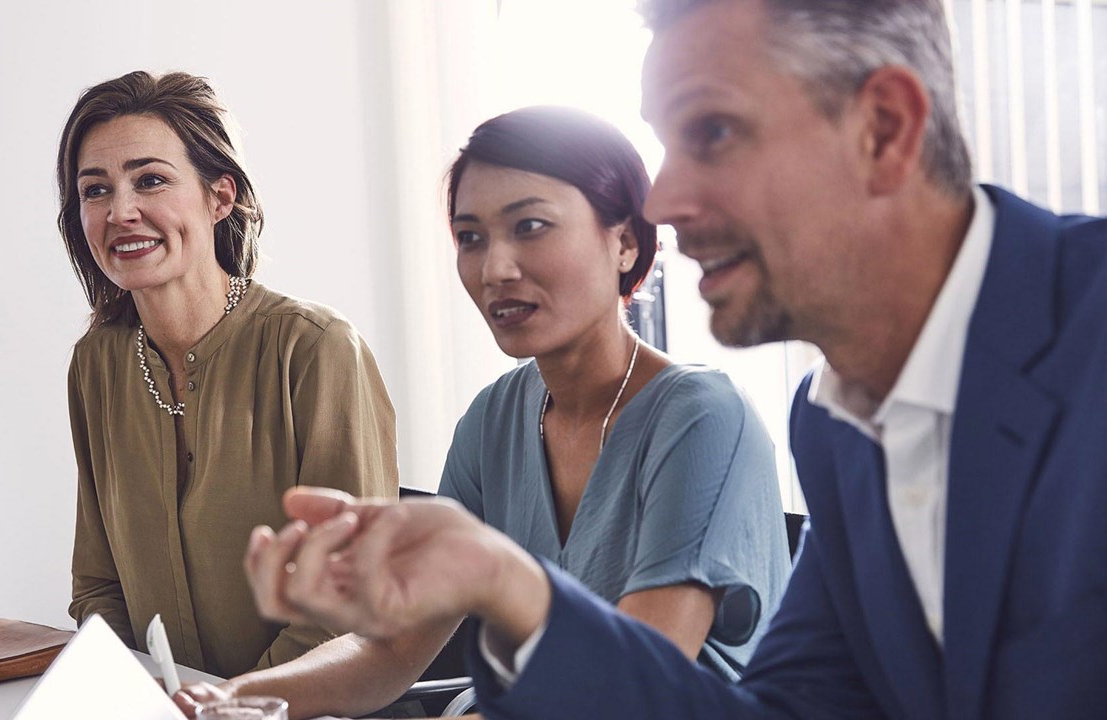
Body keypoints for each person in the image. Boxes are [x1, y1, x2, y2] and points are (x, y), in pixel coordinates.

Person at [241, 0, 1107, 718]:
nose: (662, 198)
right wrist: (504, 582)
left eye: (715, 131)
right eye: (471, 236)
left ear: (882, 129)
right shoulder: (835, 421)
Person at [174, 106, 789, 718]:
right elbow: (391, 651)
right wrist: (227, 699)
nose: (495, 269)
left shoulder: (703, 418)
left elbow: (636, 693)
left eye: (531, 226)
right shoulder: (496, 417)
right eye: (471, 238)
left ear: (625, 241)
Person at [57, 70, 398, 679]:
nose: (121, 211)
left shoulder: (316, 350)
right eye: (95, 190)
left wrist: (232, 705)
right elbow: (98, 587)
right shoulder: (96, 365)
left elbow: (347, 605)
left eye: (151, 180)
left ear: (220, 197)